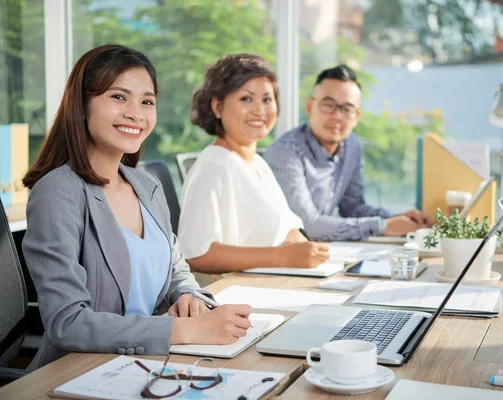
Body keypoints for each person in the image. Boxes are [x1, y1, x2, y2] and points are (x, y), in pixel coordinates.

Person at [21, 44, 251, 369]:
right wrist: (183, 329)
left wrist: (188, 297)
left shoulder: (146, 185)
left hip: (149, 364)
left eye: (147, 101)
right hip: (77, 372)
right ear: (82, 106)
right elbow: (67, 322)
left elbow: (176, 269)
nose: (135, 113)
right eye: (118, 97)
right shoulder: (58, 192)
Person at [178, 54, 329, 274]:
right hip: (234, 294)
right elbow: (196, 255)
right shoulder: (215, 166)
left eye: (267, 99)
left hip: (270, 282)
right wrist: (282, 257)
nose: (260, 110)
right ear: (218, 107)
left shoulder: (257, 163)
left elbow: (284, 228)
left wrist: (309, 250)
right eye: (246, 99)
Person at [264, 64, 433, 241]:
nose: (337, 116)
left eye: (346, 109)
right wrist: (382, 225)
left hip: (321, 253)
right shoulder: (285, 152)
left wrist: (396, 218)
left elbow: (352, 207)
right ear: (309, 107)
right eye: (328, 105)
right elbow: (306, 225)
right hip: (281, 257)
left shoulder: (352, 145)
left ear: (356, 117)